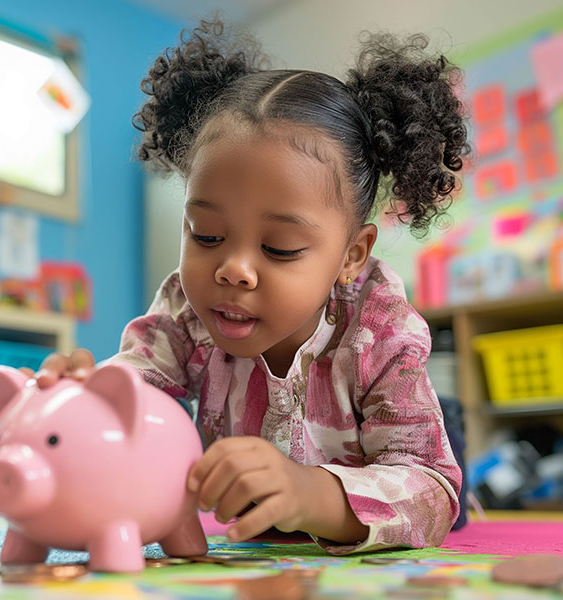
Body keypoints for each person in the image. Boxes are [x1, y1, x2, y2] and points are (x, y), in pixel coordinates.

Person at [24, 20, 468, 554]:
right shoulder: (185, 309)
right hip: (261, 523)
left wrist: (309, 492)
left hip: (387, 454)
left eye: (279, 247)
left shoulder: (381, 328)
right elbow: (135, 388)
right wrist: (81, 399)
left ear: (351, 255)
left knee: (447, 460)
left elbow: (432, 490)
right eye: (206, 235)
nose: (233, 269)